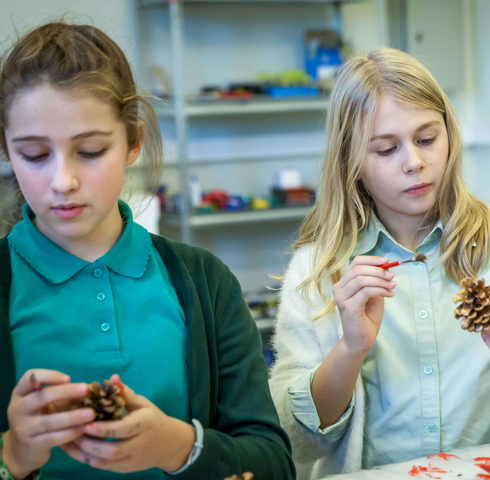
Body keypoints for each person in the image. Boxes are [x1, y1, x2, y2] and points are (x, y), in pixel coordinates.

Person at [269, 48, 490, 478]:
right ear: (351, 162)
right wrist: (349, 351)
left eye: (427, 139)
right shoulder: (317, 270)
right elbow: (297, 439)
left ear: (450, 135)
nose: (415, 163)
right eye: (386, 150)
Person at [0, 22, 295, 480]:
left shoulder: (205, 281)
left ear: (133, 142)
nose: (63, 181)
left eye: (92, 150)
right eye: (35, 155)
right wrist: (13, 456)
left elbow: (272, 464)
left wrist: (181, 447)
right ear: (7, 150)